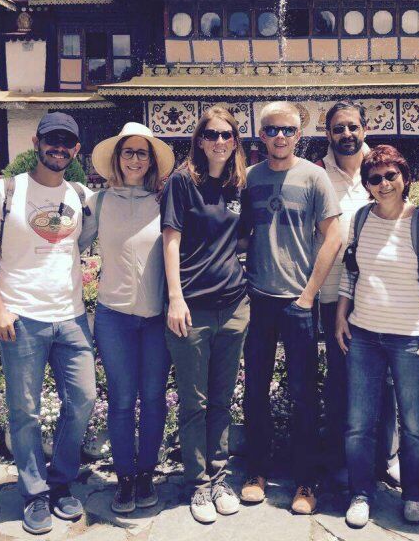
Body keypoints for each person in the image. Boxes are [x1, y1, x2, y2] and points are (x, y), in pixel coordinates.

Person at [0, 112, 96, 535]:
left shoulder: (82, 195)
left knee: (83, 401)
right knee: (25, 412)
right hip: (21, 318)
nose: (59, 148)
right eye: (52, 140)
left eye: (68, 142)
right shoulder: (6, 191)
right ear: (38, 141)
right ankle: (36, 493)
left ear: (76, 150)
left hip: (72, 317)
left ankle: (61, 482)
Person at [335, 145, 419, 528]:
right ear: (367, 185)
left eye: (391, 176)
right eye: (375, 178)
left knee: (414, 423)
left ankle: (415, 494)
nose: (384, 184)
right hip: (365, 333)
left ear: (404, 178)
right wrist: (341, 315)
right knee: (358, 422)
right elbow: (351, 272)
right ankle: (361, 493)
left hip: (410, 337)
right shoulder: (361, 219)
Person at [239, 101, 342, 515]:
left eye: (288, 130)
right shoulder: (248, 178)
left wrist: (308, 295)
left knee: (303, 394)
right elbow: (242, 234)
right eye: (272, 130)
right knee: (255, 392)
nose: (280, 136)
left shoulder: (315, 177)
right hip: (259, 300)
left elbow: (332, 237)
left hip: (299, 302)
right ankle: (256, 471)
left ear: (300, 135)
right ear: (260, 135)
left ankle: (305, 480)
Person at [78, 122, 175, 514]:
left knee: (153, 399)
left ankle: (147, 472)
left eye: (143, 152)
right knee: (120, 400)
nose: (135, 159)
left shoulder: (164, 199)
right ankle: (124, 477)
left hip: (156, 317)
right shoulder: (99, 202)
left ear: (152, 160)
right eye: (129, 152)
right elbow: (70, 247)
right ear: (117, 158)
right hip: (114, 316)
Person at [160, 106, 250, 524]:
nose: (219, 142)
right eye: (211, 135)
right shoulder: (183, 182)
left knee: (222, 397)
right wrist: (175, 298)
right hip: (192, 306)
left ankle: (219, 476)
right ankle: (197, 483)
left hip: (233, 306)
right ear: (198, 140)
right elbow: (171, 241)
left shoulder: (238, 184)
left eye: (226, 135)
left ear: (235, 141)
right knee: (194, 401)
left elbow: (244, 237)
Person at [316, 101, 400, 488]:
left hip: (380, 295)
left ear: (365, 128)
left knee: (383, 382)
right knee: (340, 381)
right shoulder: (318, 176)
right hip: (335, 295)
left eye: (352, 126)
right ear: (327, 133)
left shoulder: (381, 170)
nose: (345, 134)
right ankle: (341, 458)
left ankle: (385, 457)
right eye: (337, 129)